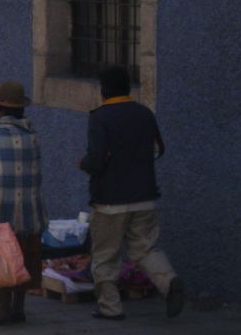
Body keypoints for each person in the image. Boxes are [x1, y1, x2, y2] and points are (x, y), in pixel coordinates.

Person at [79, 66, 184, 321]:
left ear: (103, 90)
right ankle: (169, 281)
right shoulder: (145, 113)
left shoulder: (100, 117)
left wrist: (83, 164)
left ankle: (110, 307)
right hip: (144, 195)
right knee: (145, 248)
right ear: (127, 88)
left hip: (109, 199)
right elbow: (159, 149)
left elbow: (96, 161)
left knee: (105, 254)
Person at [0, 81, 47, 326]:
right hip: (28, 209)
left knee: (3, 257)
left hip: (2, 211)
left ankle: (2, 309)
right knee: (23, 256)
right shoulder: (31, 136)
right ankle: (18, 308)